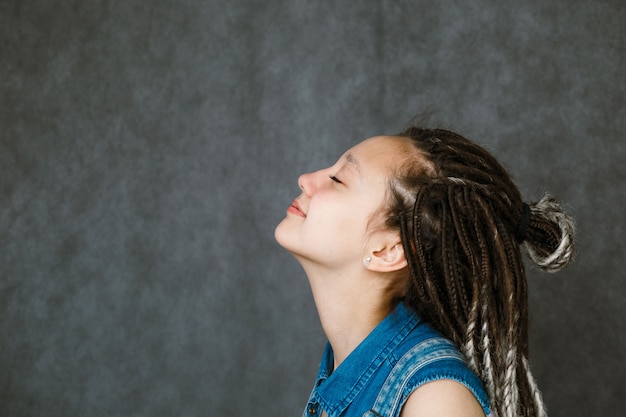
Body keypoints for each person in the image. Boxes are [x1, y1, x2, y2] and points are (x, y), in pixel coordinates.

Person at [274, 126, 575, 417]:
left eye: (338, 179)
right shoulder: (343, 365)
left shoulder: (436, 399)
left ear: (387, 251)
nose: (305, 180)